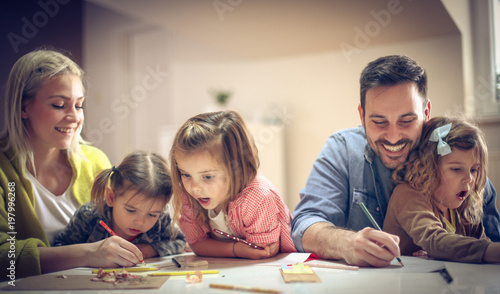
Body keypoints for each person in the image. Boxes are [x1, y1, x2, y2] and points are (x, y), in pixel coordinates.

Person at [291, 55, 500, 267]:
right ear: (362, 115)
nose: (393, 136)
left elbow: (492, 241)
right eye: (379, 122)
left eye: (407, 121)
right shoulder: (342, 149)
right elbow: (304, 223)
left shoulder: (451, 155)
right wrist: (348, 243)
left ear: (426, 113)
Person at [1, 49, 127, 280]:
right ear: (23, 107)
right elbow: (3, 259)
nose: (74, 117)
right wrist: (89, 253)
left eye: (78, 106)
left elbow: (125, 228)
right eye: (59, 105)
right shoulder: (3, 173)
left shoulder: (95, 161)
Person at [170, 110, 296, 259]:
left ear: (237, 170)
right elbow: (197, 244)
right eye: (186, 174)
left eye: (208, 177)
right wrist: (236, 250)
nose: (194, 187)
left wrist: (225, 248)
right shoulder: (190, 195)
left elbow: (263, 251)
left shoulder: (257, 197)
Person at [384, 117, 500, 263]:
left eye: (474, 170)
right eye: (456, 169)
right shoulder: (407, 195)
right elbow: (435, 240)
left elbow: (481, 243)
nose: (469, 179)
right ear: (429, 168)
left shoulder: (464, 205)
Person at [54, 151, 186, 259]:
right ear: (111, 197)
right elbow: (59, 249)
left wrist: (152, 249)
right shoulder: (89, 215)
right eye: (131, 210)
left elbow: (181, 241)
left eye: (152, 214)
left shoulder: (161, 218)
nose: (140, 222)